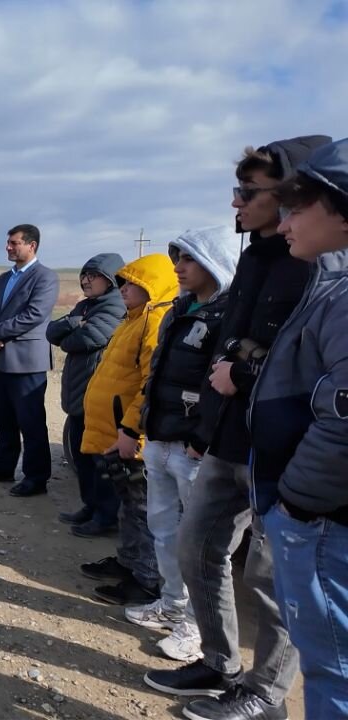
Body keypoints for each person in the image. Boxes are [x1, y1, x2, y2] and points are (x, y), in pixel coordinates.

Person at [144, 136, 329, 720]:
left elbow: (307, 366)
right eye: (237, 190)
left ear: (294, 191)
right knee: (198, 544)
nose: (237, 204)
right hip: (226, 438)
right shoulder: (254, 256)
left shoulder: (320, 268)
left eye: (249, 192)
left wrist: (242, 371)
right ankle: (219, 661)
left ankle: (267, 694)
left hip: (281, 449)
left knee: (272, 580)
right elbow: (228, 345)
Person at [252, 138, 348, 719]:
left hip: (322, 520)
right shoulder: (332, 287)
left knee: (332, 669)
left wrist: (297, 503)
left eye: (298, 207)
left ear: (340, 208)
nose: (285, 224)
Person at [129, 227, 238, 665]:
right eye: (178, 258)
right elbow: (160, 374)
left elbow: (222, 384)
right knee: (164, 530)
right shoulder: (178, 308)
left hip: (194, 447)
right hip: (161, 437)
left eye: (189, 259)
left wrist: (201, 439)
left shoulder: (228, 315)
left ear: (213, 264)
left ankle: (197, 628)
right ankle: (171, 605)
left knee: (202, 547)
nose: (179, 267)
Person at [76, 253, 177, 606]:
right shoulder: (133, 319)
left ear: (150, 285)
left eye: (131, 283)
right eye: (121, 282)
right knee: (128, 504)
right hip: (117, 433)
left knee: (143, 508)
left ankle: (146, 580)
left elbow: (149, 383)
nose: (123, 289)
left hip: (131, 436)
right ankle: (128, 563)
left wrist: (132, 430)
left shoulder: (156, 321)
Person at [0, 225, 61, 496]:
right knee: (4, 419)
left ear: (31, 245)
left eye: (14, 243)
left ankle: (36, 478)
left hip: (26, 361)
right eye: (8, 243)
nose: (8, 248)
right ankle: (3, 467)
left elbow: (34, 315)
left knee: (31, 421)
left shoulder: (45, 277)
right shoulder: (3, 279)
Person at [46, 253, 126, 532]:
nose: (85, 281)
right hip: (81, 396)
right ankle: (90, 507)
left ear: (112, 280)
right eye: (84, 275)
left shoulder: (115, 307)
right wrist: (73, 323)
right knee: (82, 458)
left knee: (101, 461)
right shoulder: (85, 307)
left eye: (93, 276)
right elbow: (52, 333)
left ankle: (106, 517)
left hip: (99, 398)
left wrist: (73, 328)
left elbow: (85, 339)